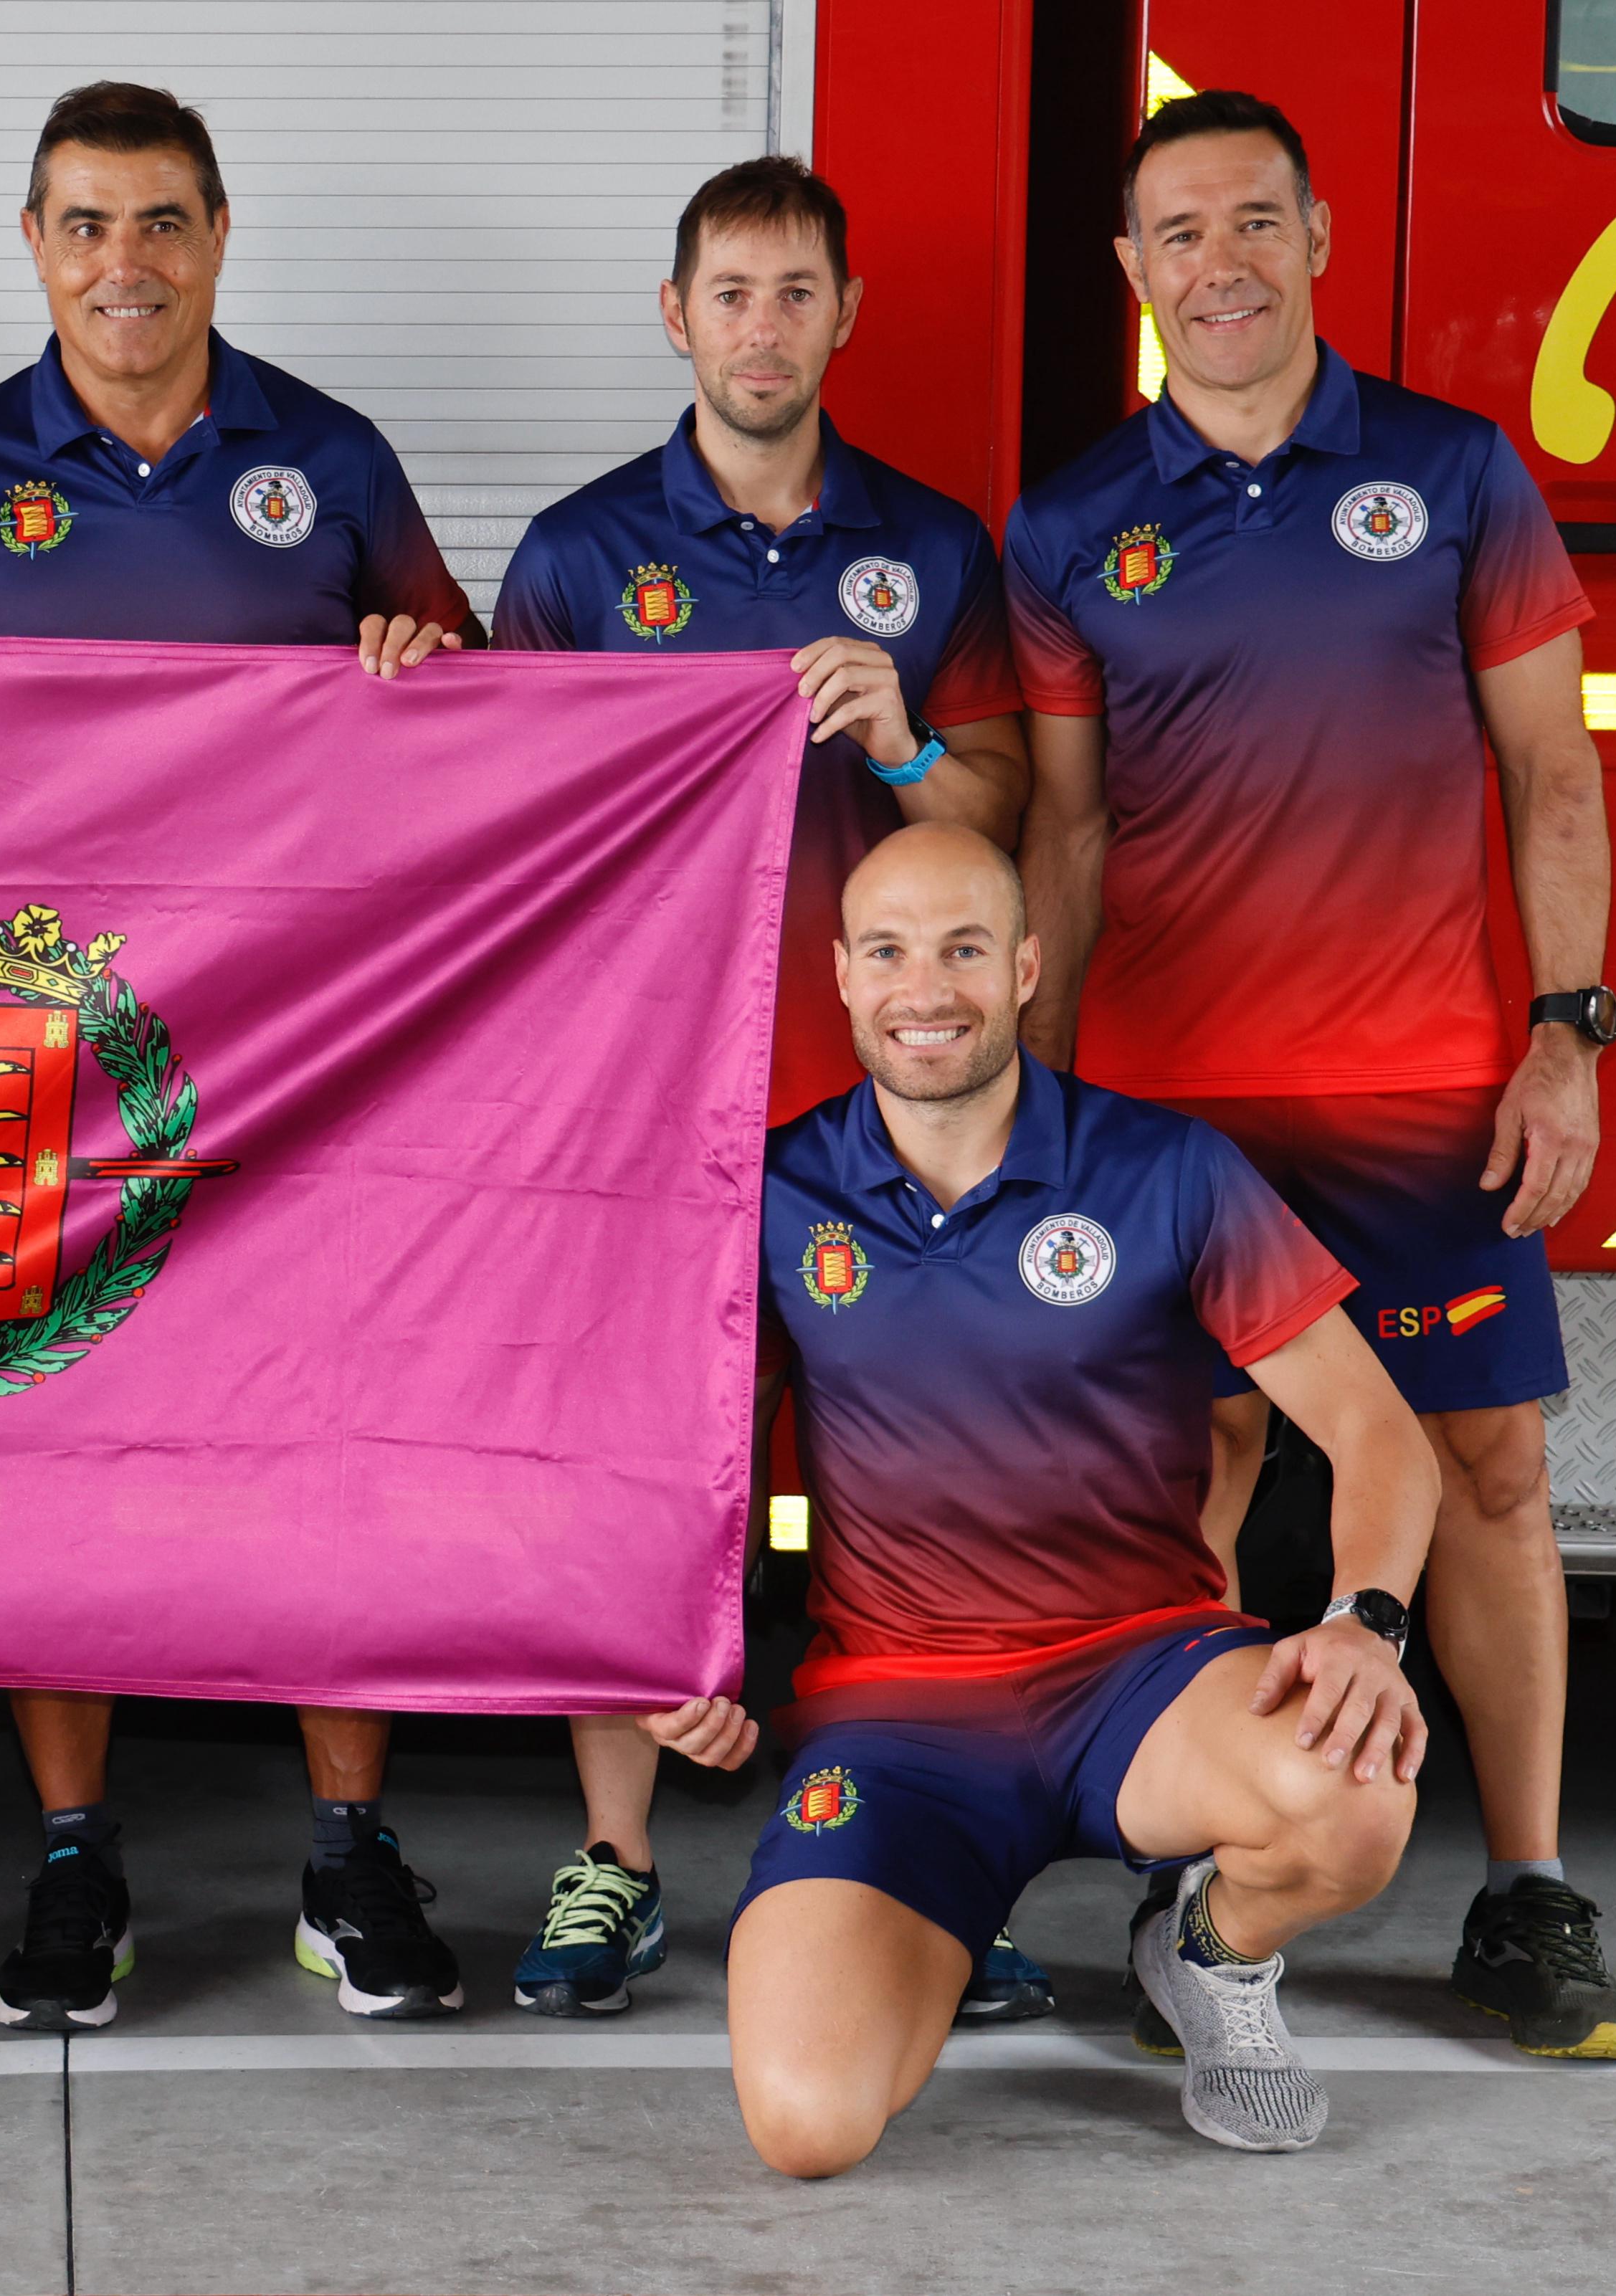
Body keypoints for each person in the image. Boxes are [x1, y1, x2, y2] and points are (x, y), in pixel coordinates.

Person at [1007, 90, 1616, 2059]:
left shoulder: (1452, 473)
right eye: (1180, 232)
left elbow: (1549, 771)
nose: (1220, 264)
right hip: (1175, 1107)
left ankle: (1524, 1895)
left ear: (1318, 236)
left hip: (1420, 1096)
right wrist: (1041, 1102)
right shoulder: (1064, 525)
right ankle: (1198, 1875)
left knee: (1488, 1472)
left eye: (1253, 222)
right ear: (1132, 271)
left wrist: (1564, 1031)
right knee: (1185, 1474)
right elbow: (1067, 834)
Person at [0, 81, 474, 2035]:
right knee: (45, 1444)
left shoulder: (330, 455)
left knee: (330, 1434)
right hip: (26, 1042)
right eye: (85, 223)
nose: (124, 262)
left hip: (303, 1043)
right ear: (35, 246)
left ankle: (348, 1850)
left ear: (215, 238)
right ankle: (71, 1854)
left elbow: (482, 728)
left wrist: (420, 672)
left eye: (161, 221)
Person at [650, 824, 1432, 2173]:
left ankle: (1210, 1954)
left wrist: (1365, 1620)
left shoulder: (1167, 1170)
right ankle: (933, 1920)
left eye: (963, 950)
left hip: (1144, 1677)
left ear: (1022, 968)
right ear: (840, 976)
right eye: (889, 952)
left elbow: (1379, 1431)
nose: (925, 989)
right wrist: (664, 1654)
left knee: (1351, 1794)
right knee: (807, 2127)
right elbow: (675, 1458)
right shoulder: (772, 1192)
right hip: (895, 1713)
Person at [488, 153, 1043, 2026]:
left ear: (844, 315)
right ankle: (614, 1861)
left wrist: (901, 741)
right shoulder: (576, 555)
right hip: (653, 1118)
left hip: (882, 1121)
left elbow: (997, 822)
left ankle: (921, 1858)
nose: (761, 326)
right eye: (728, 292)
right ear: (675, 316)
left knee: (908, 1504)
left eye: (795, 291)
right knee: (633, 1493)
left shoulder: (933, 548)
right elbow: (506, 839)